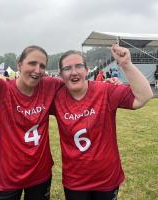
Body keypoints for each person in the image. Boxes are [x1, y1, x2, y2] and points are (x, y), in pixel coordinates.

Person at [0, 11, 63, 200]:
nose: (37, 70)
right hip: (7, 177)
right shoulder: (1, 90)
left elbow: (77, 84)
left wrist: (109, 83)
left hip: (40, 175)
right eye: (32, 63)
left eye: (42, 66)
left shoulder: (50, 85)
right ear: (19, 65)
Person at [52, 45, 153, 200]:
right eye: (67, 68)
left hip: (107, 178)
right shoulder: (56, 98)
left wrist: (126, 64)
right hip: (75, 181)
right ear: (60, 74)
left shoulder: (105, 90)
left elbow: (144, 97)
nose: (73, 72)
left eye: (79, 66)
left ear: (87, 70)